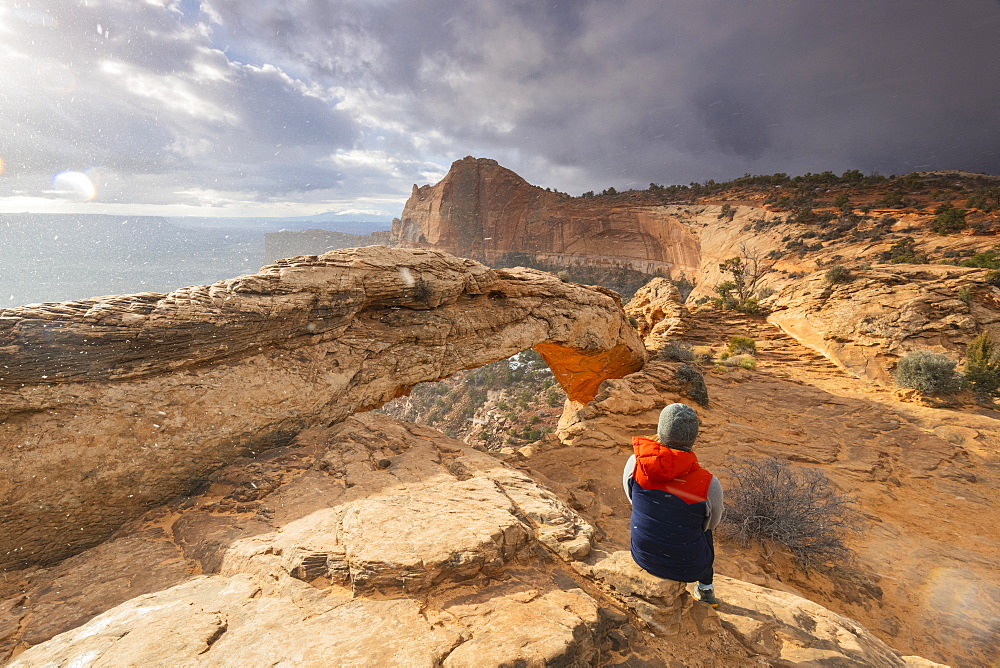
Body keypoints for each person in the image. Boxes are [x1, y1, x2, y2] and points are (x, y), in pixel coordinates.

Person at [622, 402, 724, 607]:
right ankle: (705, 589)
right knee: (705, 531)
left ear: (661, 429)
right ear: (693, 438)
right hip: (688, 568)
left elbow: (631, 497)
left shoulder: (636, 463)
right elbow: (712, 523)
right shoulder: (708, 483)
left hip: (643, 556)